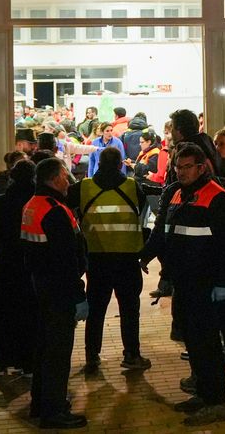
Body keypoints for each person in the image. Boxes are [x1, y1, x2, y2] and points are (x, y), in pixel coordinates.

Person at [142, 144, 225, 426]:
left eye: (187, 167)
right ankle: (203, 392)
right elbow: (163, 233)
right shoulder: (175, 194)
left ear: (201, 167)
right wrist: (145, 255)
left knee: (208, 343)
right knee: (194, 342)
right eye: (178, 167)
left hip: (206, 284)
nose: (182, 172)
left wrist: (223, 283)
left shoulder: (217, 198)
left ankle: (216, 401)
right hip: (183, 283)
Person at [68, 147, 152, 374]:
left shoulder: (83, 188)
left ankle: (92, 356)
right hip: (127, 259)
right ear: (119, 165)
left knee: (96, 309)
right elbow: (142, 210)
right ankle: (132, 354)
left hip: (96, 259)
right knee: (129, 309)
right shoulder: (133, 187)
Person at [22, 158, 88, 429]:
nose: (68, 179)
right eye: (65, 175)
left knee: (44, 349)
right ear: (55, 178)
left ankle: (41, 403)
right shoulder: (55, 210)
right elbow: (65, 259)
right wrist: (79, 295)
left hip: (41, 286)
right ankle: (54, 410)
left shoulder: (32, 205)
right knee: (58, 353)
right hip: (59, 291)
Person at [0, 159, 39, 377]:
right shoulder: (36, 201)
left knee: (5, 314)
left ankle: (0, 361)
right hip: (30, 261)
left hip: (8, 263)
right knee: (29, 314)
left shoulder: (4, 200)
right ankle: (27, 362)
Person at [169, 109, 224, 179]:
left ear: (179, 130)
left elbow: (176, 185)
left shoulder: (184, 151)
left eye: (173, 128)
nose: (171, 132)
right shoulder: (207, 143)